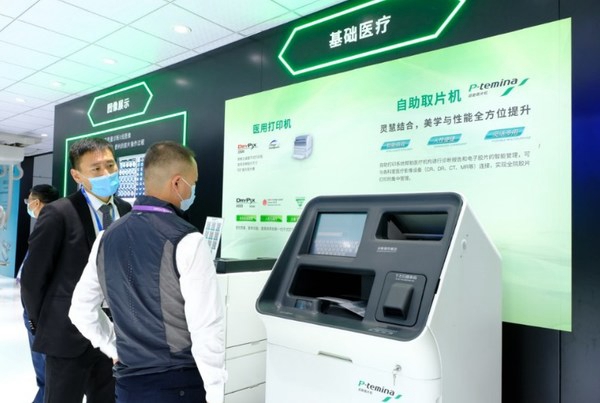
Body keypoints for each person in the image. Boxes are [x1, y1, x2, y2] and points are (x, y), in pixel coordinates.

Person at [69, 141, 227, 403]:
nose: (193, 189)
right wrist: (215, 393)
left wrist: (113, 347)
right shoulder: (188, 240)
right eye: (193, 182)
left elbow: (80, 311)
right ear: (177, 183)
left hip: (128, 385)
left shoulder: (106, 238)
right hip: (179, 384)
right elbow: (206, 329)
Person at [21, 138, 131, 403]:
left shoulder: (126, 210)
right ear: (77, 175)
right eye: (96, 168)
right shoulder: (59, 213)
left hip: (113, 334)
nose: (106, 173)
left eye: (110, 165)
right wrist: (41, 323)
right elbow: (33, 278)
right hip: (67, 335)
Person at [18, 184, 60, 403]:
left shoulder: (47, 230)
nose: (28, 206)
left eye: (29, 202)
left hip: (42, 314)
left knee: (47, 375)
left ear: (36, 202)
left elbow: (31, 280)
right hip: (44, 312)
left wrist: (32, 319)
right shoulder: (61, 225)